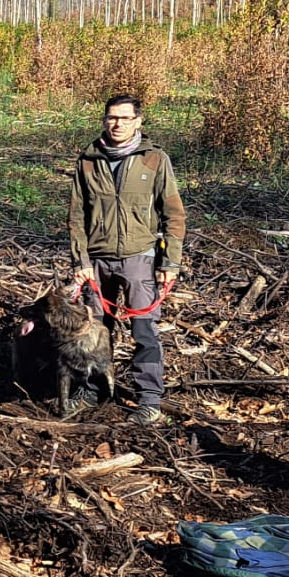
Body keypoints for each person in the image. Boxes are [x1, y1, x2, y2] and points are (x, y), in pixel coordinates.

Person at [68, 93, 188, 426]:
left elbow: (174, 215)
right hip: (98, 260)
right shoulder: (88, 160)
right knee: (93, 332)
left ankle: (148, 400)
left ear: (138, 121)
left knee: (145, 332)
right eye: (111, 118)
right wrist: (81, 261)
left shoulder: (154, 160)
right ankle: (91, 390)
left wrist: (170, 263)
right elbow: (77, 216)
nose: (116, 124)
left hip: (141, 259)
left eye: (124, 118)